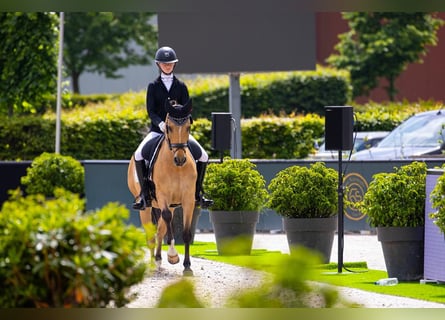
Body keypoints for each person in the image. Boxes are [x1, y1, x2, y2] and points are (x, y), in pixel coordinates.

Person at [132, 46, 213, 210]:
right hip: (157, 130)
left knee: (203, 156)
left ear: (174, 65)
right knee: (139, 154)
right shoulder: (153, 86)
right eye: (164, 64)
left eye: (170, 64)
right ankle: (144, 195)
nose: (167, 66)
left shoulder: (181, 86)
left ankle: (198, 193)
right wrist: (160, 123)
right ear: (158, 65)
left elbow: (186, 109)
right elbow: (151, 110)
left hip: (178, 133)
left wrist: (183, 123)